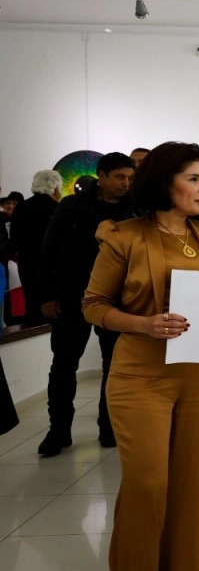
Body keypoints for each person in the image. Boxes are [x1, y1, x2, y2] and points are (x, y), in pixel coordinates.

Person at [81, 141, 199, 571]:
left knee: (190, 497)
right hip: (140, 376)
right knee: (147, 487)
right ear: (165, 183)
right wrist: (144, 323)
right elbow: (93, 305)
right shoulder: (123, 235)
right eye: (194, 178)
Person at [35, 152, 136, 456]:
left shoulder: (134, 210)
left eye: (130, 178)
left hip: (118, 300)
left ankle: (109, 427)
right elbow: (48, 251)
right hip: (72, 297)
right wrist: (46, 296)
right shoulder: (71, 206)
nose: (126, 183)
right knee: (64, 365)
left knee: (114, 367)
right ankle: (58, 430)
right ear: (102, 176)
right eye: (120, 177)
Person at [9, 170, 61, 326]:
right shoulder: (57, 208)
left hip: (27, 264)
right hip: (52, 267)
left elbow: (14, 239)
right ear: (55, 187)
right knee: (53, 311)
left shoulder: (21, 207)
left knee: (32, 305)